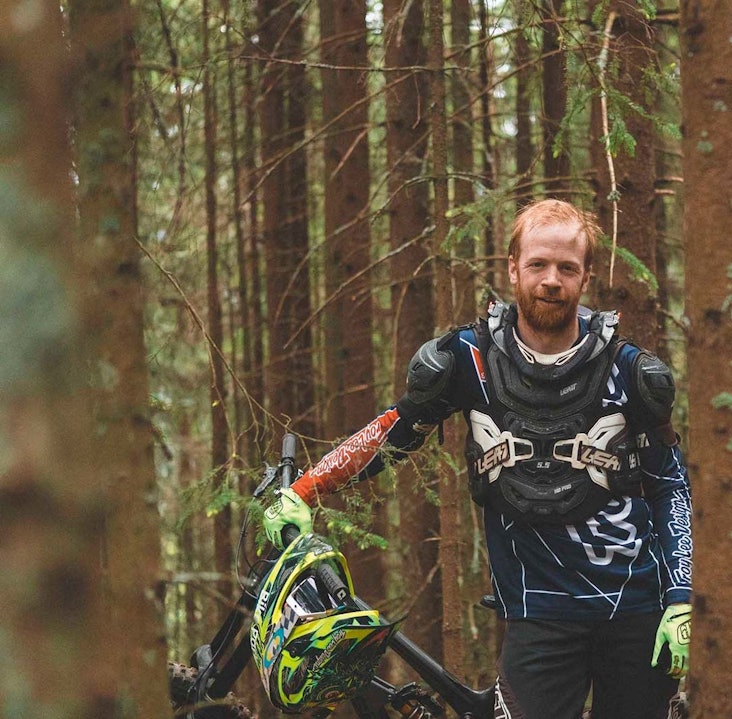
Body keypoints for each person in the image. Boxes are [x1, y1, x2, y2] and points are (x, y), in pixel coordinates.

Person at [263, 199, 694, 719]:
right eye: (537, 265)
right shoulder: (469, 360)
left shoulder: (632, 374)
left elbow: (670, 485)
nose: (551, 281)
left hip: (638, 613)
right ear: (512, 268)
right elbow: (395, 430)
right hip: (539, 617)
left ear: (587, 277)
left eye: (566, 268)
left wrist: (682, 596)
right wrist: (308, 489)